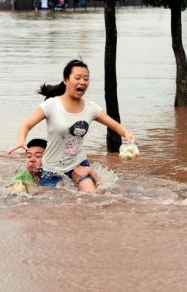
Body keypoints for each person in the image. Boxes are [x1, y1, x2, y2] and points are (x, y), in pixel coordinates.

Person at [8, 59, 135, 193]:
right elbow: (26, 125)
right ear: (66, 80)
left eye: (86, 79)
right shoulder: (51, 105)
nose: (82, 82)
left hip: (79, 165)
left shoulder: (91, 108)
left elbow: (115, 125)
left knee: (92, 198)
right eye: (77, 78)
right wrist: (21, 140)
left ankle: (90, 174)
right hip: (52, 170)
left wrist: (127, 134)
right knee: (52, 207)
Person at [8, 138, 97, 194]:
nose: (32, 160)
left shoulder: (59, 173)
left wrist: (90, 171)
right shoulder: (20, 178)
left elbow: (98, 189)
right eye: (29, 156)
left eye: (38, 156)